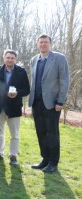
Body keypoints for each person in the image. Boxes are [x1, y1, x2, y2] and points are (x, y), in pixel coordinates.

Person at [29, 34, 70, 173]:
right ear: (37, 44)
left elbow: (64, 80)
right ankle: (45, 159)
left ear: (50, 44)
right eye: (40, 42)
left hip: (52, 104)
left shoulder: (59, 58)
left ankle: (53, 162)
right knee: (41, 132)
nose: (43, 45)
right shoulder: (34, 59)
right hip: (37, 102)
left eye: (45, 42)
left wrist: (60, 101)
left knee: (52, 133)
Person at [0, 49, 30, 165]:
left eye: (12, 58)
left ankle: (13, 155)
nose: (10, 60)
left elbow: (27, 90)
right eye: (8, 57)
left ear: (16, 59)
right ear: (4, 58)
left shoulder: (21, 72)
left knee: (14, 134)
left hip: (14, 107)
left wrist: (17, 93)